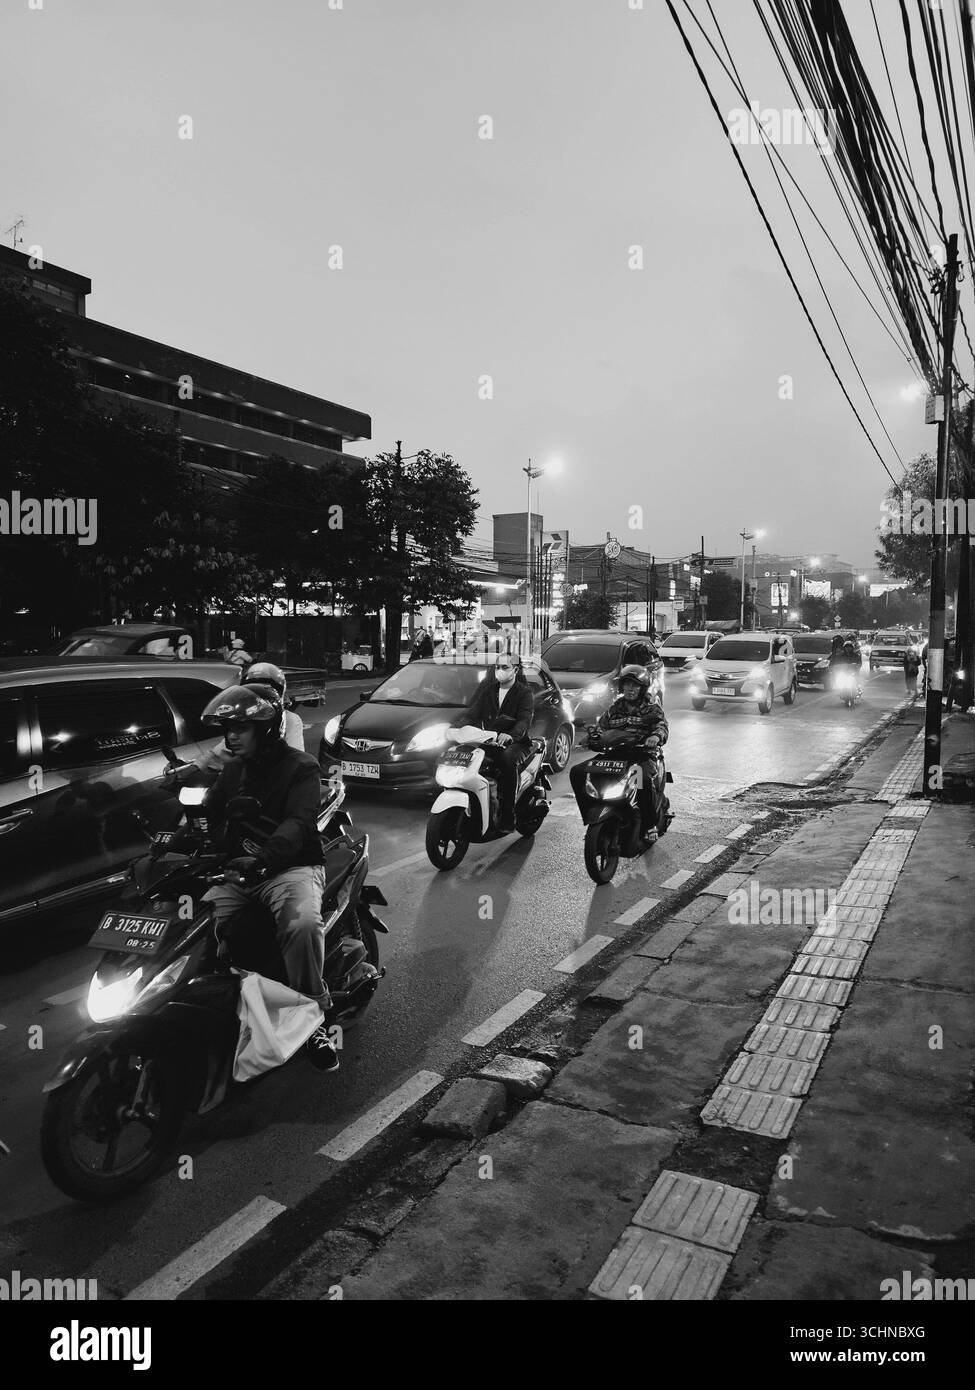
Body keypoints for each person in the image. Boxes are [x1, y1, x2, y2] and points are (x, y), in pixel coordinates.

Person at [198, 683, 340, 1073]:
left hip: (289, 867)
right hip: (239, 871)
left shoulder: (301, 767)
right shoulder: (231, 773)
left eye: (241, 728)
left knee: (303, 925)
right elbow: (209, 815)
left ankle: (312, 1016)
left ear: (266, 728)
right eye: (228, 727)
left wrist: (265, 857)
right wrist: (169, 843)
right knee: (199, 923)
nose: (231, 735)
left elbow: (298, 823)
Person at [570, 665, 669, 841]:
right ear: (621, 687)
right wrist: (591, 737)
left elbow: (662, 727)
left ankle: (649, 825)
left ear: (642, 688)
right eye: (627, 685)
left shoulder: (652, 708)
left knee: (643, 781)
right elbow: (602, 728)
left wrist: (655, 736)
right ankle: (591, 815)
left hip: (641, 756)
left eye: (635, 685)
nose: (630, 689)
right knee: (577, 772)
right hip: (615, 755)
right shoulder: (614, 709)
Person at [461, 656, 533, 833]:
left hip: (517, 743)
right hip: (491, 740)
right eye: (497, 667)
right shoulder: (489, 691)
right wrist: (456, 728)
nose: (500, 671)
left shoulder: (524, 693)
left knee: (506, 760)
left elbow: (524, 721)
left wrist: (510, 735)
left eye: (505, 667)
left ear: (515, 670)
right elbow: (472, 714)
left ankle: (508, 816)